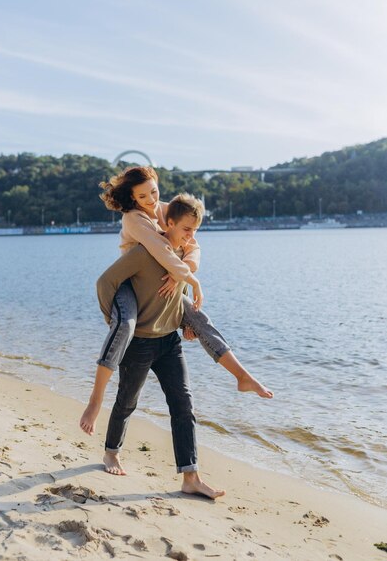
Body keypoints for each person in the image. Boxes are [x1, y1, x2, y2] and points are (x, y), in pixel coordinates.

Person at [80, 168, 273, 436]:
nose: (150, 200)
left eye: (154, 191)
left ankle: (242, 376)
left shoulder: (166, 209)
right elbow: (160, 250)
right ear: (133, 197)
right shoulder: (134, 219)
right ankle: (95, 400)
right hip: (131, 283)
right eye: (143, 195)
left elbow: (192, 243)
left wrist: (181, 272)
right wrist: (191, 280)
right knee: (125, 326)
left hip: (161, 284)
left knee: (200, 320)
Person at [96, 195, 226, 498]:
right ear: (168, 223)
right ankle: (111, 452)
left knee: (184, 404)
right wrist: (113, 320)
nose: (192, 236)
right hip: (139, 342)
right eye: (187, 229)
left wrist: (186, 324)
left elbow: (173, 301)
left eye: (195, 230)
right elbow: (106, 282)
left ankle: (190, 476)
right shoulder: (144, 251)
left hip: (170, 342)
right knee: (127, 401)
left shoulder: (183, 255)